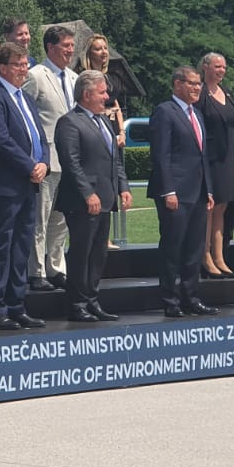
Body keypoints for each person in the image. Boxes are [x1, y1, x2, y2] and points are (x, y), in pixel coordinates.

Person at [0, 41, 47, 331]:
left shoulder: (26, 98)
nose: (23, 69)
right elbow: (1, 140)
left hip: (29, 185)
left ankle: (17, 305)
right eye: (18, 65)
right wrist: (29, 166)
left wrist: (43, 163)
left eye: (25, 64)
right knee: (2, 248)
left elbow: (39, 137)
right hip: (4, 186)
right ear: (2, 68)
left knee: (21, 248)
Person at [55, 69, 131, 323]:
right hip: (82, 202)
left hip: (106, 199)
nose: (107, 97)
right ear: (86, 94)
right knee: (82, 253)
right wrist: (88, 193)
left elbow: (114, 159)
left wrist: (123, 187)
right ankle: (76, 304)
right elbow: (71, 162)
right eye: (102, 92)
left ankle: (92, 300)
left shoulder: (105, 122)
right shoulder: (69, 122)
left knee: (98, 254)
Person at [147, 66, 219, 318]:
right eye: (192, 83)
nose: (198, 88)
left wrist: (209, 189)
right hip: (175, 193)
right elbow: (161, 154)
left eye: (199, 84)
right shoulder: (165, 112)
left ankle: (191, 297)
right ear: (178, 84)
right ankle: (170, 300)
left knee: (194, 249)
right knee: (172, 247)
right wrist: (168, 190)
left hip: (198, 192)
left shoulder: (196, 114)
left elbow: (202, 155)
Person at [23, 25, 77, 293]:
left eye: (72, 46)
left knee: (61, 220)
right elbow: (25, 116)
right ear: (50, 47)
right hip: (46, 160)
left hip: (70, 160)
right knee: (40, 219)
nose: (71, 51)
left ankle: (56, 268)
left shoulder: (75, 78)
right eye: (66, 46)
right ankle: (36, 271)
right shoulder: (35, 76)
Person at [194, 51, 234, 278]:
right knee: (210, 208)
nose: (222, 70)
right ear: (206, 67)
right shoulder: (200, 94)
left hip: (228, 157)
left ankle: (219, 256)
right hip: (210, 158)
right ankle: (205, 256)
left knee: (222, 206)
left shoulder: (227, 92)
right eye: (217, 66)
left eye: (224, 67)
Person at [83, 35, 126, 145]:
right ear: (89, 53)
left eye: (105, 48)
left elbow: (117, 107)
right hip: (95, 129)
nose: (104, 52)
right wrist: (106, 111)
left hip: (114, 130)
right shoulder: (85, 79)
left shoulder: (111, 78)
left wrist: (122, 133)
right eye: (98, 49)